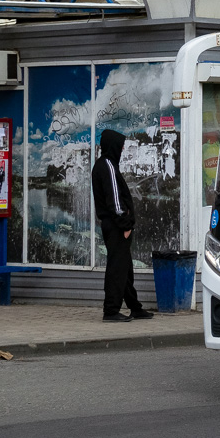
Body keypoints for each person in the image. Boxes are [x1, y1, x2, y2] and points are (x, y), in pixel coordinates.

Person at [92, 129, 152, 323]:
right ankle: (111, 310)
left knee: (124, 268)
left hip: (116, 225)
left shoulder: (105, 165)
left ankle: (135, 307)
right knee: (117, 269)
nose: (123, 149)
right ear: (114, 145)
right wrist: (125, 225)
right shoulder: (107, 166)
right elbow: (115, 201)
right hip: (117, 226)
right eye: (121, 145)